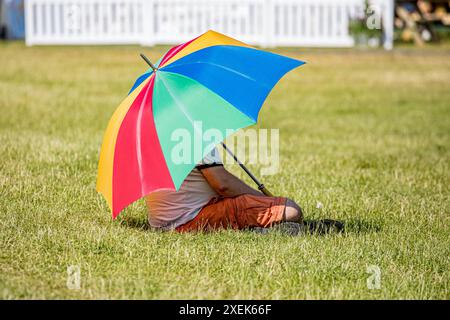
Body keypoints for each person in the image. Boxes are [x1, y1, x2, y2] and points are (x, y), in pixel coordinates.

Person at [146, 147, 342, 234]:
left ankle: (263, 227)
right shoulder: (193, 135)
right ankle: (261, 232)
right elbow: (223, 184)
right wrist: (263, 199)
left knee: (285, 211)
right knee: (291, 210)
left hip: (163, 221)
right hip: (191, 219)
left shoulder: (156, 135)